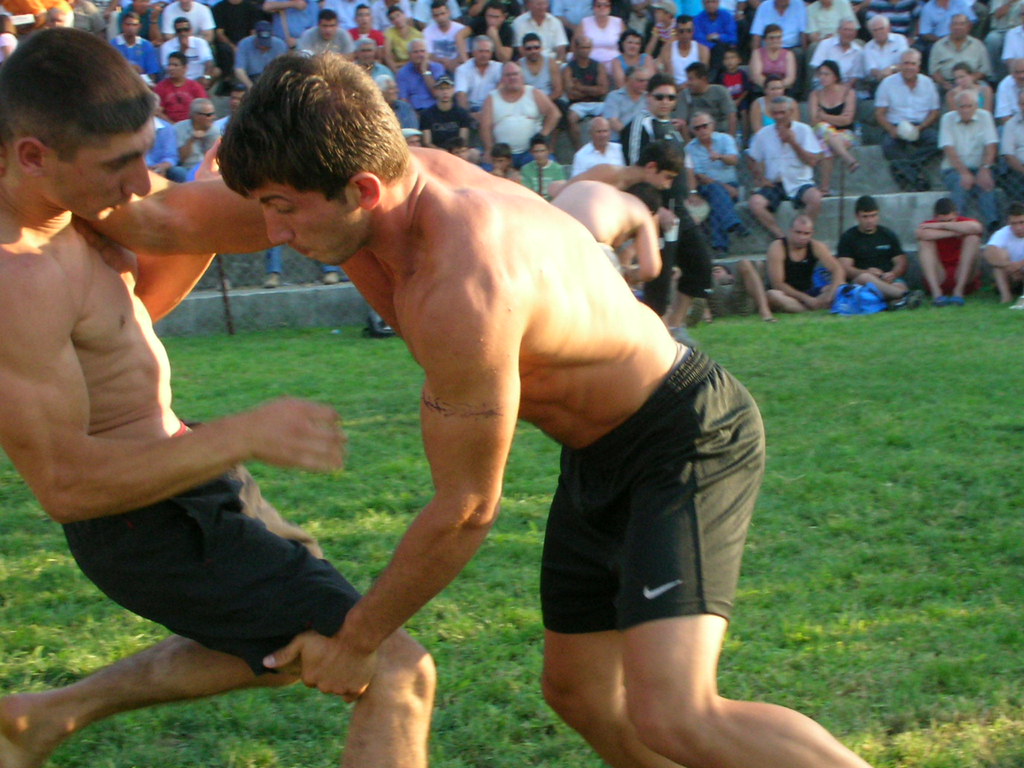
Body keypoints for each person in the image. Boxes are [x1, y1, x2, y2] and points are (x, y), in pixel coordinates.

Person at [215, 52, 875, 768]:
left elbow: (468, 507)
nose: (273, 232)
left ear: (362, 188)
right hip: (597, 454)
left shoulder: (462, 282)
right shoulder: (378, 187)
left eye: (281, 210)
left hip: (682, 435)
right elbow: (593, 201)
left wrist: (357, 640)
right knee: (581, 694)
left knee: (677, 712)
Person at [0, 29, 434, 768]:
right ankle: (47, 716)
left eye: (145, 152)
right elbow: (66, 486)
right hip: (145, 521)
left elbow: (130, 319)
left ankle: (43, 718)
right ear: (32, 155)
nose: (142, 182)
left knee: (299, 642)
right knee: (392, 665)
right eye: (121, 164)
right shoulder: (15, 277)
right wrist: (244, 433)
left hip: (185, 481)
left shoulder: (77, 212)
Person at [622, 72, 717, 331]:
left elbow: (681, 170)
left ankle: (674, 327)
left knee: (701, 266)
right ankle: (654, 333)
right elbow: (636, 171)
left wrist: (688, 196)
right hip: (656, 212)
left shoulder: (674, 131)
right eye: (659, 96)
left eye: (670, 97)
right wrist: (656, 209)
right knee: (658, 280)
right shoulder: (640, 125)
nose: (665, 101)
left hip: (678, 212)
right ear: (647, 97)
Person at [551, 179, 663, 285]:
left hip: (543, 238)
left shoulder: (601, 191)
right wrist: (630, 275)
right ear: (651, 212)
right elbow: (650, 270)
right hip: (589, 244)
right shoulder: (643, 211)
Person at [747, 96, 823, 239]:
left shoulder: (804, 130)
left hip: (800, 181)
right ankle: (782, 237)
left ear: (791, 111)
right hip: (775, 183)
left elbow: (812, 161)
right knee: (755, 203)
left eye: (783, 112)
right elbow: (751, 157)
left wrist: (792, 142)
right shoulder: (763, 134)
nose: (779, 117)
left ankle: (802, 233)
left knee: (815, 198)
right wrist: (760, 178)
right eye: (775, 113)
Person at [874, 48, 941, 192]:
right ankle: (917, 177)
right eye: (905, 63)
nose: (909, 67)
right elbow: (880, 113)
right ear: (899, 65)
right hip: (895, 125)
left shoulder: (928, 83)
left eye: (912, 63)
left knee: (937, 140)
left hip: (920, 126)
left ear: (918, 66)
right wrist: (892, 130)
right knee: (888, 145)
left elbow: (934, 112)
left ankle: (905, 169)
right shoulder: (887, 83)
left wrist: (921, 128)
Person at [836, 194, 921, 306]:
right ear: (857, 216)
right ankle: (905, 296)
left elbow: (901, 262)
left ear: (878, 215)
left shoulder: (887, 234)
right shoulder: (848, 237)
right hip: (862, 283)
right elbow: (845, 267)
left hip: (888, 280)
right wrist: (866, 272)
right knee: (865, 278)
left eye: (873, 216)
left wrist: (893, 274)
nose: (870, 221)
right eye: (865, 217)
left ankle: (897, 301)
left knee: (899, 286)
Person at [938, 89, 999, 234]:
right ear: (956, 106)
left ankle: (993, 224)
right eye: (961, 106)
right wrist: (964, 172)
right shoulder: (947, 118)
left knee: (986, 184)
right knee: (960, 183)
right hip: (954, 168)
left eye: (969, 106)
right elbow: (949, 149)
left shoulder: (985, 116)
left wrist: (985, 169)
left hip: (979, 166)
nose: (965, 110)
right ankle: (956, 224)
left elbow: (991, 145)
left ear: (976, 106)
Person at [479, 60, 561, 166]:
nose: (512, 78)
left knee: (549, 167)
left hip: (531, 152)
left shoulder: (534, 93)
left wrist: (543, 135)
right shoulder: (492, 98)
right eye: (508, 75)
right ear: (502, 79)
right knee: (487, 171)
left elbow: (555, 113)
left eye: (515, 74)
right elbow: (485, 126)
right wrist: (489, 149)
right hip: (502, 153)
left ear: (522, 76)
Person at [686, 111, 744, 255]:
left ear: (713, 125)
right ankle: (732, 222)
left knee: (716, 202)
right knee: (714, 190)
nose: (701, 130)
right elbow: (699, 175)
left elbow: (734, 160)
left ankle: (720, 246)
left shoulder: (725, 139)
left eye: (704, 126)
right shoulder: (690, 148)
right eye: (697, 128)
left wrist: (720, 157)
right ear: (692, 131)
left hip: (730, 184)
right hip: (708, 186)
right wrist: (725, 188)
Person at [765, 215, 845, 313]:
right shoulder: (778, 247)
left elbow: (837, 269)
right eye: (798, 232)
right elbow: (778, 284)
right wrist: (806, 299)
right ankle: (812, 309)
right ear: (790, 231)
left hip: (809, 291)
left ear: (812, 234)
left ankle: (815, 306)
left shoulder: (816, 246)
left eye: (806, 233)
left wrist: (830, 294)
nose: (801, 237)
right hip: (787, 294)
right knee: (773, 295)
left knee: (840, 285)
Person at [916, 196, 983, 305]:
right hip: (940, 275)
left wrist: (943, 225)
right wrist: (954, 232)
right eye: (942, 221)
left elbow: (977, 227)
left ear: (956, 215)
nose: (947, 224)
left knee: (973, 238)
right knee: (924, 242)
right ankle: (936, 294)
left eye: (950, 220)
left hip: (963, 275)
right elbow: (921, 233)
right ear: (935, 218)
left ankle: (959, 291)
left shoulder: (963, 222)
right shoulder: (930, 224)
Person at [808, 59, 859, 194]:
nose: (823, 78)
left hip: (845, 133)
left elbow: (847, 120)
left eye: (827, 74)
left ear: (835, 76)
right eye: (821, 74)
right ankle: (848, 159)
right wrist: (832, 120)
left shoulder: (848, 92)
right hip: (821, 132)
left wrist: (824, 116)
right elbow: (814, 120)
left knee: (826, 146)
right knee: (823, 128)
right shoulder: (815, 95)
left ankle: (824, 188)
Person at [562, 35, 611, 148]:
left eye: (588, 47)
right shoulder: (569, 68)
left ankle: (605, 146)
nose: (586, 50)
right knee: (571, 118)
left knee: (609, 115)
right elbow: (571, 94)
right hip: (577, 104)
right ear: (577, 48)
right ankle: (579, 149)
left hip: (598, 103)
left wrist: (580, 87)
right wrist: (593, 89)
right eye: (583, 47)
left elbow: (603, 90)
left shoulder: (598, 66)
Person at [928, 13, 991, 93]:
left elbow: (984, 69)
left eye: (962, 24)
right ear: (950, 27)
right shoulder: (938, 46)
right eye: (955, 24)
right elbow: (934, 70)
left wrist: (970, 80)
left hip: (973, 83)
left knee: (985, 88)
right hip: (948, 84)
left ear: (968, 27)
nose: (958, 27)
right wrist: (943, 83)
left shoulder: (978, 45)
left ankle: (981, 106)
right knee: (933, 88)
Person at [678, 60, 736, 137]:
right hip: (695, 138)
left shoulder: (720, 91)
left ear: (703, 79)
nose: (688, 83)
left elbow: (731, 115)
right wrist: (688, 145)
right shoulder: (684, 94)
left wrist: (731, 140)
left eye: (691, 79)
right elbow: (682, 122)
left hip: (720, 136)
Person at [983, 201, 1024, 305]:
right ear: (1008, 223)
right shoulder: (1002, 233)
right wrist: (1008, 265)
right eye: (1014, 223)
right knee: (1000, 256)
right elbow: (988, 253)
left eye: (1021, 222)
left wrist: (1020, 264)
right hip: (1010, 275)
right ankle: (1006, 297)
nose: (1018, 227)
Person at [420, 74, 474, 149]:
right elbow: (427, 142)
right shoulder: (426, 114)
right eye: (441, 89)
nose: (445, 92)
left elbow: (463, 140)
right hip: (436, 152)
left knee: (474, 154)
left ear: (454, 90)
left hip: (457, 151)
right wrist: (442, 152)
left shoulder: (462, 113)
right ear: (435, 91)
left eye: (448, 88)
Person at [154, 50, 209, 123]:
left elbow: (203, 109)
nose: (171, 68)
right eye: (169, 65)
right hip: (169, 126)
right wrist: (172, 125)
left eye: (175, 65)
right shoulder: (161, 87)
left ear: (185, 68)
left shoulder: (195, 87)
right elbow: (157, 112)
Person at [173, 97, 221, 180]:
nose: (213, 117)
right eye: (209, 115)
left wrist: (205, 140)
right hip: (186, 168)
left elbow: (215, 160)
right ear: (196, 116)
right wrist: (192, 139)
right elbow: (180, 159)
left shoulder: (216, 131)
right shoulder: (179, 128)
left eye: (213, 114)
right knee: (177, 171)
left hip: (208, 170)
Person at [861, 13, 908, 96]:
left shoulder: (900, 40)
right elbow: (871, 69)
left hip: (900, 79)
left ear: (889, 28)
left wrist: (891, 69)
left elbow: (905, 62)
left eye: (881, 29)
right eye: (875, 30)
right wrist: (882, 74)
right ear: (871, 32)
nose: (879, 32)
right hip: (879, 82)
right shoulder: (868, 47)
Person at [233, 20, 289, 88]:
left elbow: (284, 68)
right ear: (254, 34)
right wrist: (250, 86)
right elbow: (239, 70)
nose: (263, 46)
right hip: (250, 78)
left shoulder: (280, 45)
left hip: (272, 78)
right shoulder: (244, 44)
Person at [454, 35, 502, 112]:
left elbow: (502, 90)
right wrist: (468, 117)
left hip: (493, 108)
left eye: (487, 51)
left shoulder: (499, 68)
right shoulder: (462, 69)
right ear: (473, 52)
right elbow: (461, 95)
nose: (484, 55)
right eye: (481, 51)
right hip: (472, 109)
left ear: (492, 53)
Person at [660, 13, 710, 88]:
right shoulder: (668, 49)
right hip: (675, 90)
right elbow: (669, 76)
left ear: (693, 31)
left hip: (695, 89)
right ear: (676, 31)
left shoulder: (702, 50)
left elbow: (701, 76)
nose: (685, 34)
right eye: (681, 31)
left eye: (688, 31)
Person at [602, 63, 650, 141]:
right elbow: (612, 121)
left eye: (647, 81)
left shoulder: (649, 98)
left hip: (642, 140)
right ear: (627, 79)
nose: (645, 84)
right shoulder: (614, 96)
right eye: (640, 81)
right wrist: (631, 135)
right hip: (618, 140)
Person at [112, 11, 161, 81]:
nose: (131, 28)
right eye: (128, 24)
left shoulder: (146, 45)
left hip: (142, 83)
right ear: (122, 25)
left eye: (134, 25)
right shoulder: (113, 45)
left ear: (139, 26)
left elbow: (152, 74)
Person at [748, 23, 797, 93]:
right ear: (765, 39)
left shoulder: (789, 54)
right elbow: (756, 76)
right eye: (771, 38)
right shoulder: (757, 53)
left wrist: (778, 87)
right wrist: (770, 87)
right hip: (762, 89)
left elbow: (790, 77)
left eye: (778, 37)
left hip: (784, 89)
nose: (775, 40)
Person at [518, 133, 568, 198]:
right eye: (536, 151)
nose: (539, 155)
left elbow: (560, 191)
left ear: (549, 151)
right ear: (531, 152)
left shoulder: (557, 169)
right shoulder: (526, 169)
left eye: (542, 151)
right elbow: (527, 191)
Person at [423, 0, 466, 73]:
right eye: (436, 15)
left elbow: (465, 54)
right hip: (436, 67)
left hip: (457, 66)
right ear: (433, 17)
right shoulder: (427, 31)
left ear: (449, 12)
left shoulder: (461, 29)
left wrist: (452, 63)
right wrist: (444, 61)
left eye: (442, 14)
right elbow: (428, 55)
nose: (440, 18)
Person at [579, 0, 625, 69]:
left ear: (610, 7)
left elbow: (625, 45)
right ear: (593, 7)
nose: (602, 8)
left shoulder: (618, 22)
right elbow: (576, 45)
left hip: (615, 64)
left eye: (606, 5)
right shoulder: (584, 22)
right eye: (598, 5)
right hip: (591, 64)